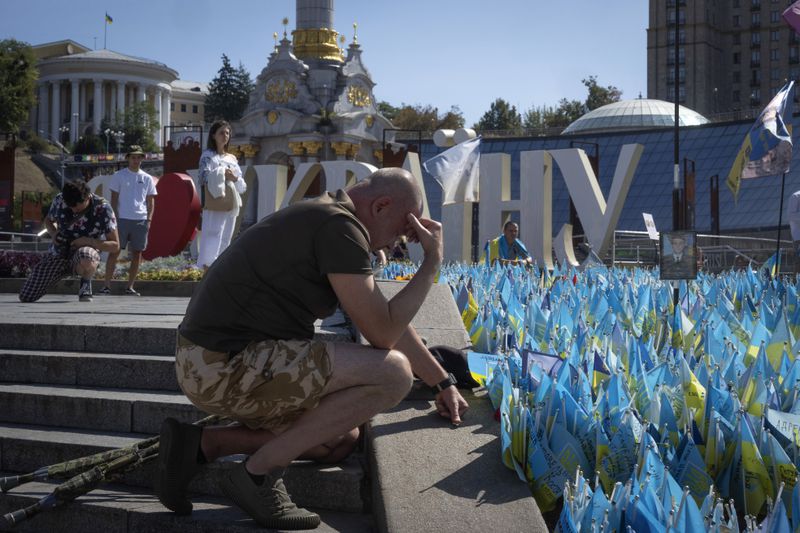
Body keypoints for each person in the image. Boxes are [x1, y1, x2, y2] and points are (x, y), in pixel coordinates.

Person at [155, 167, 468, 530]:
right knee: (393, 373)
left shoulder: (329, 216)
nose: (392, 244)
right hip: (222, 365)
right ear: (380, 206)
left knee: (338, 440)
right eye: (399, 231)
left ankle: (201, 445)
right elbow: (383, 333)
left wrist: (441, 381)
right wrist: (431, 263)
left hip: (211, 361)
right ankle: (257, 475)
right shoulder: (339, 227)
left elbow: (384, 319)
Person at [19, 180, 119, 303]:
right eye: (70, 205)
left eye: (77, 205)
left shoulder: (103, 208)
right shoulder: (60, 199)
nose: (74, 209)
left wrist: (88, 241)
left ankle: (85, 285)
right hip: (59, 252)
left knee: (86, 255)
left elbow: (115, 246)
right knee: (26, 296)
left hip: (85, 254)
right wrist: (54, 234)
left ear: (87, 197)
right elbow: (49, 221)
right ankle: (58, 273)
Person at [101, 146, 157, 296]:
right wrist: (114, 219)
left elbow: (151, 202)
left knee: (137, 254)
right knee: (115, 251)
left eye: (139, 157)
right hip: (122, 219)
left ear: (142, 159)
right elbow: (113, 199)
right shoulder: (119, 175)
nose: (136, 160)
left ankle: (130, 287)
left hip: (140, 220)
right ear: (128, 158)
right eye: (133, 157)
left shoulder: (147, 178)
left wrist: (149, 219)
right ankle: (106, 285)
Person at [196, 120, 246, 270]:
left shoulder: (232, 159)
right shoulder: (208, 156)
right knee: (212, 235)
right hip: (215, 201)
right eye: (221, 133)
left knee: (226, 237)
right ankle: (206, 267)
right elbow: (202, 177)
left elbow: (242, 186)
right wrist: (222, 173)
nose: (225, 136)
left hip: (231, 202)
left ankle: (220, 270)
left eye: (227, 133)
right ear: (213, 136)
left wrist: (234, 178)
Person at [788, 189, 800, 273]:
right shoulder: (796, 196)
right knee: (798, 262)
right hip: (798, 237)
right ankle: (797, 284)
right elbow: (791, 216)